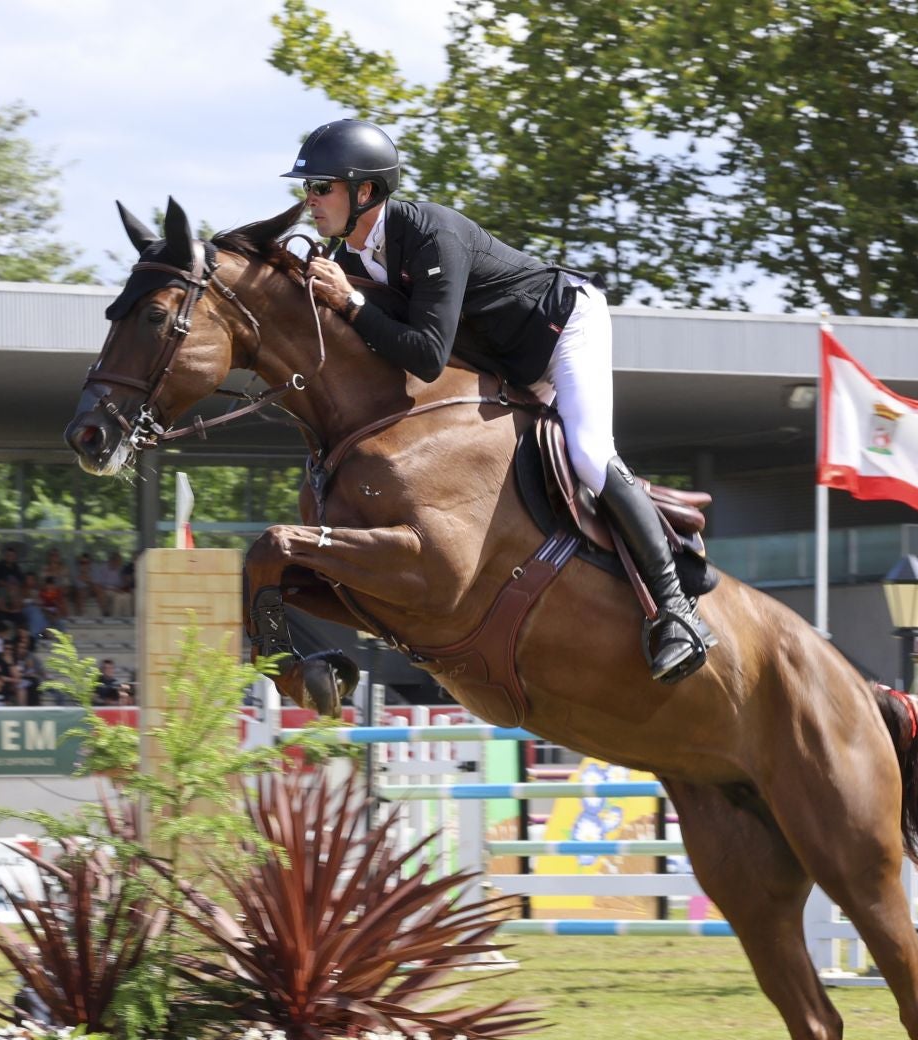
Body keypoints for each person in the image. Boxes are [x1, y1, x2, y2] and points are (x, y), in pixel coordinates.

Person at [287, 118, 714, 681]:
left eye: (322, 187)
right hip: (504, 361)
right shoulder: (348, 262)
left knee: (586, 452)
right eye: (307, 189)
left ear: (365, 191)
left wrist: (353, 306)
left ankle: (677, 612)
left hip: (561, 327)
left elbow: (426, 354)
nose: (310, 200)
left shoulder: (428, 232)